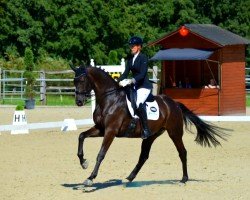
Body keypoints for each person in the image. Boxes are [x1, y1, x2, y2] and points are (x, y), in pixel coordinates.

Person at [118, 36, 153, 139]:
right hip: (135, 87)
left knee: (138, 103)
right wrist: (117, 81)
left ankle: (146, 130)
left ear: (139, 47)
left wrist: (131, 80)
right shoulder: (130, 60)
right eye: (131, 46)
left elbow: (142, 74)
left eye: (133, 46)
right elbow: (125, 73)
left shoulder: (143, 58)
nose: (131, 48)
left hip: (144, 86)